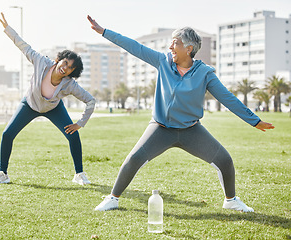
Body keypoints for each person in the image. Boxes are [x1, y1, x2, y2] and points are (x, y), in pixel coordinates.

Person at [87, 15, 275, 212]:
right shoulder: (163, 62)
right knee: (133, 159)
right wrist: (104, 32)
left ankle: (231, 200)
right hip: (160, 128)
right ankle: (113, 198)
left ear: (189, 49)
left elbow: (227, 98)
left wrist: (254, 121)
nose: (170, 47)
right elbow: (135, 47)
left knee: (225, 160)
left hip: (191, 131)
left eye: (175, 43)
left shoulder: (205, 73)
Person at [0, 13, 96, 185]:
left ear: (72, 72)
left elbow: (91, 101)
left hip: (53, 109)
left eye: (70, 68)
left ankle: (79, 175)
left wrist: (80, 123)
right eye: (65, 63)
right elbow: (24, 46)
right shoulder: (41, 62)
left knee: (73, 135)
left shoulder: (70, 84)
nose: (65, 68)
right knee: (7, 134)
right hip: (29, 104)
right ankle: (3, 174)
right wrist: (8, 30)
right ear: (59, 59)